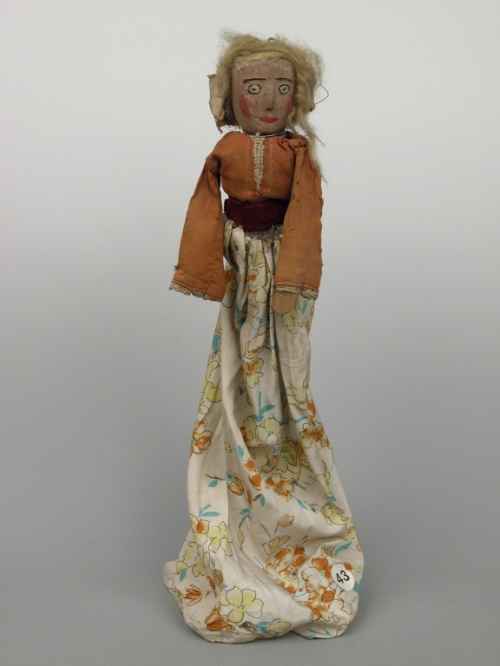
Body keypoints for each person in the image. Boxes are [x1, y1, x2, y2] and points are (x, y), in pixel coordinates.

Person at [163, 31, 365, 643]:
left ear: (298, 96)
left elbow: (307, 215)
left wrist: (294, 278)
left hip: (283, 276)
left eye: (282, 88)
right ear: (231, 96)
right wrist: (207, 268)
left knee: (286, 374)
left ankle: (291, 488)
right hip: (240, 273)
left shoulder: (299, 154)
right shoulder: (224, 149)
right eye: (254, 88)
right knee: (234, 367)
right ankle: (238, 498)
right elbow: (204, 207)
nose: (270, 100)